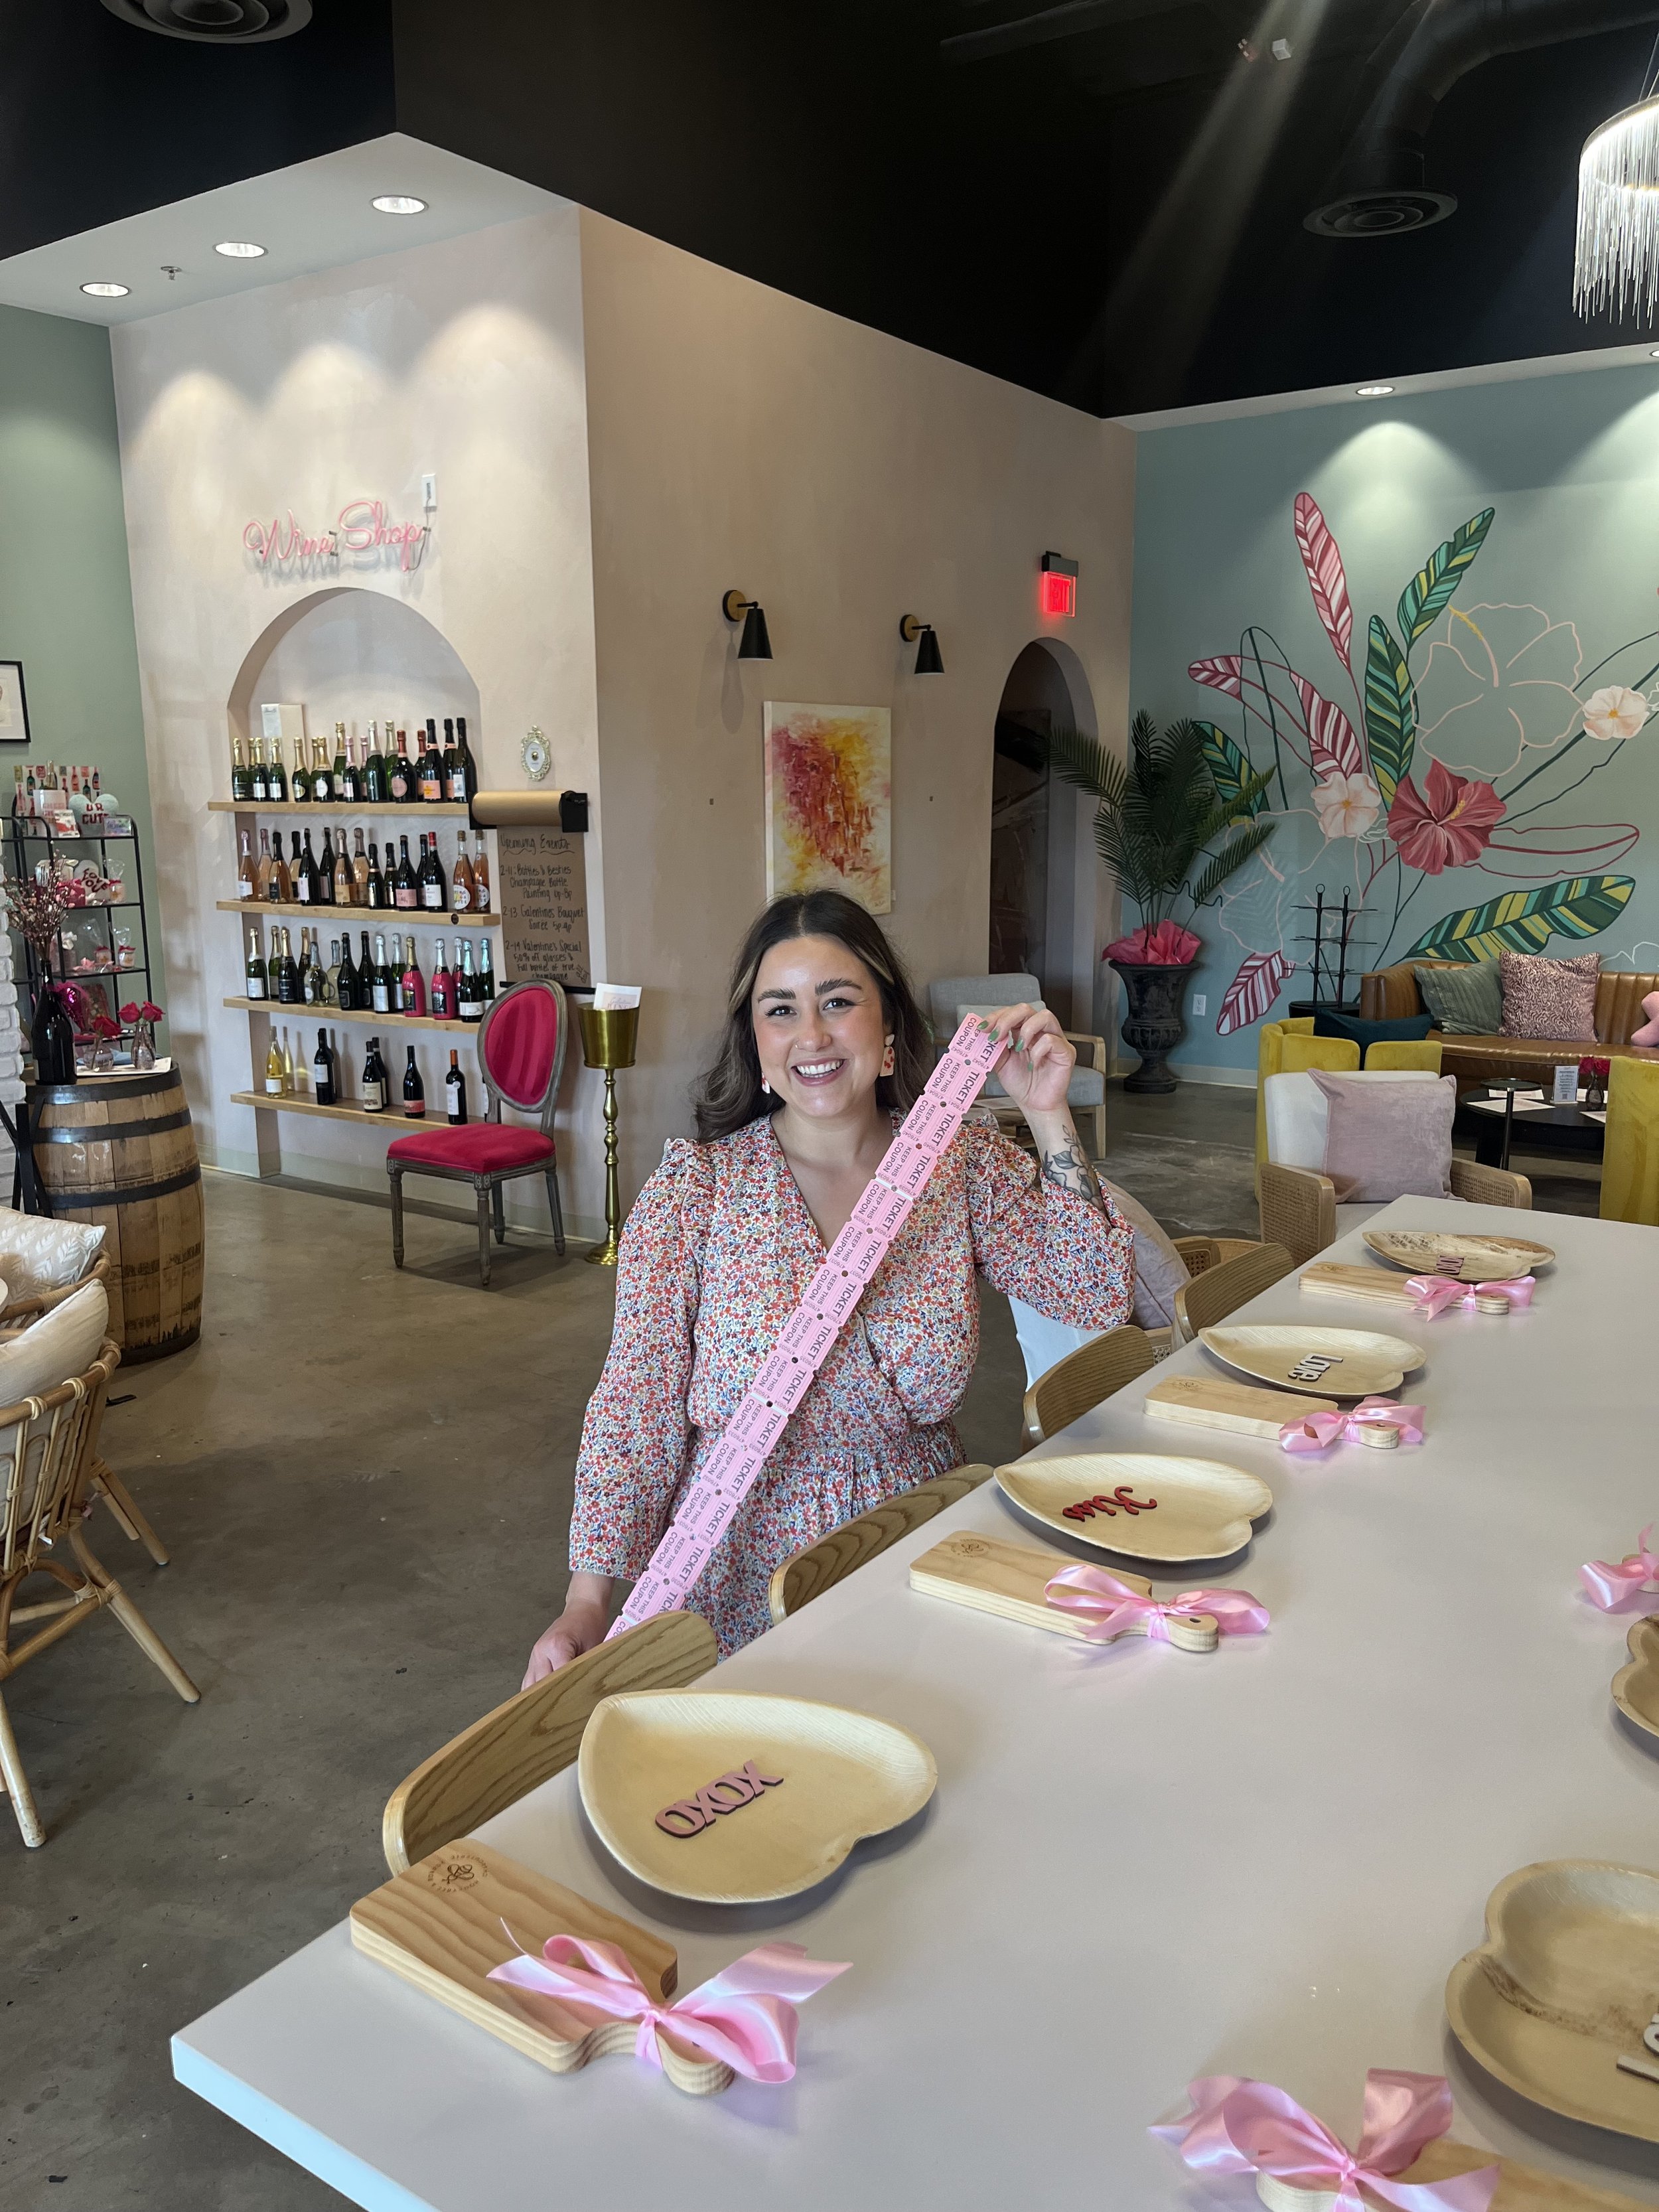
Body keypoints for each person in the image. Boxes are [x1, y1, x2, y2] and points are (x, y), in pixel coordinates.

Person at [523, 891, 1134, 1681]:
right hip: (737, 1572)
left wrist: (1048, 1115)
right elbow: (633, 1405)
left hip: (915, 1546)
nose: (811, 1035)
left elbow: (1092, 1292)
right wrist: (586, 1603)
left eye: (838, 1002)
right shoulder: (695, 1191)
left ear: (889, 1029)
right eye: (781, 1010)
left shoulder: (959, 1165)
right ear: (756, 1042)